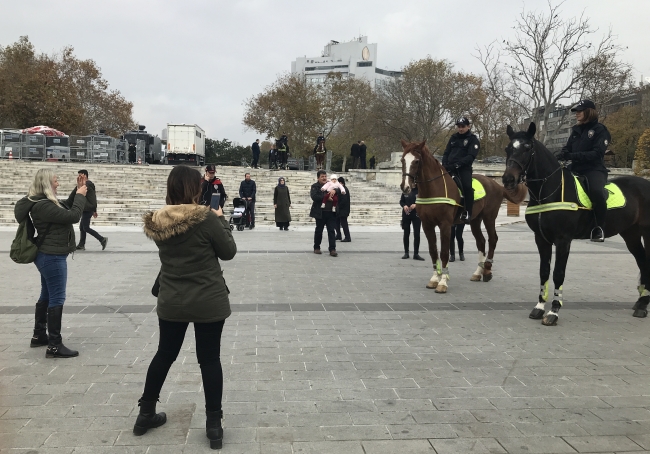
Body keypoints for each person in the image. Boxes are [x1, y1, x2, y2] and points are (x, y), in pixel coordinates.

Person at [134, 165, 236, 450]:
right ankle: (214, 425)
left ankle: (145, 414)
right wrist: (221, 219)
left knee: (165, 355)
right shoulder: (205, 218)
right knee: (209, 359)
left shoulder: (157, 220)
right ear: (195, 188)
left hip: (172, 299)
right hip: (208, 299)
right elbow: (228, 252)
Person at [14, 169, 88, 358]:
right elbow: (73, 216)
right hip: (51, 256)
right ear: (47, 183)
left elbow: (66, 208)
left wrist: (77, 190)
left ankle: (39, 335)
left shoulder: (45, 203)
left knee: (46, 294)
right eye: (55, 181)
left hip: (49, 255)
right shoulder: (43, 206)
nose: (58, 184)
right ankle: (54, 345)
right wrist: (81, 196)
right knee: (57, 297)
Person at [558, 99, 611, 242]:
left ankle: (599, 228)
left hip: (593, 169)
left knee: (596, 191)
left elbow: (597, 154)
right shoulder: (576, 130)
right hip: (575, 168)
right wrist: (562, 153)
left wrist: (572, 156)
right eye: (576, 111)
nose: (577, 114)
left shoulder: (600, 130)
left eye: (580, 111)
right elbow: (568, 148)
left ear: (589, 112)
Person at [442, 116, 480, 223]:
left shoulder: (473, 139)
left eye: (463, 126)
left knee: (467, 187)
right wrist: (444, 164)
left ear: (468, 126)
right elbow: (446, 152)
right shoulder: (453, 138)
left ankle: (468, 212)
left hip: (463, 169)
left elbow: (470, 157)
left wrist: (457, 165)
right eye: (459, 126)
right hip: (449, 167)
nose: (460, 129)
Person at [72, 169, 107, 251]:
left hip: (87, 208)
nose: (78, 177)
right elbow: (93, 198)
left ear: (84, 175)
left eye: (80, 175)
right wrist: (95, 210)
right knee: (82, 227)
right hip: (88, 208)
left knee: (86, 228)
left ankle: (102, 239)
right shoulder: (89, 184)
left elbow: (83, 196)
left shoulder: (87, 185)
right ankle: (81, 244)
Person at [310, 170, 340, 257]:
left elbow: (340, 188)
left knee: (331, 231)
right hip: (320, 213)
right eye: (322, 176)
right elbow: (314, 197)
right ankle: (316, 247)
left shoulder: (331, 184)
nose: (324, 178)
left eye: (325, 176)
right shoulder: (315, 186)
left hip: (331, 212)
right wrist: (326, 197)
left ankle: (332, 249)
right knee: (319, 230)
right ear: (318, 178)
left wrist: (335, 191)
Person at [400, 184, 424, 260]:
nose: (413, 183)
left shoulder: (420, 190)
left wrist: (416, 204)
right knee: (406, 233)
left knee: (417, 234)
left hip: (416, 215)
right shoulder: (406, 190)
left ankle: (416, 254)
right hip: (406, 214)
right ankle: (406, 253)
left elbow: (423, 201)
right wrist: (404, 206)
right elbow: (401, 201)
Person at [335, 176, 351, 242]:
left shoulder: (343, 190)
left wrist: (338, 205)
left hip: (343, 210)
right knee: (337, 222)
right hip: (340, 210)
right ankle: (338, 235)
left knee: (344, 223)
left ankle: (347, 237)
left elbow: (343, 200)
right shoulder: (342, 189)